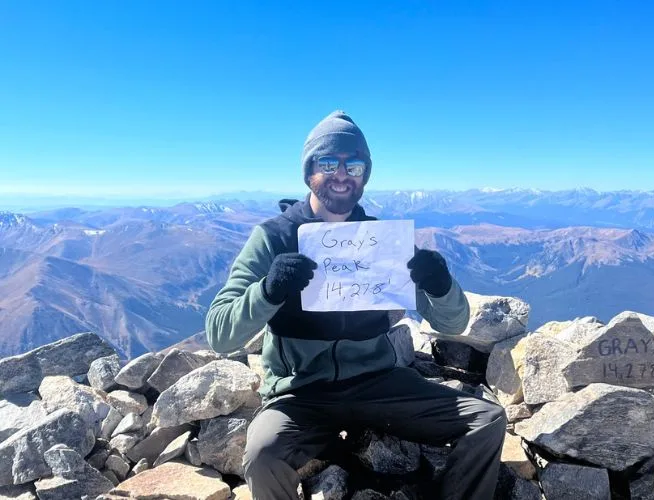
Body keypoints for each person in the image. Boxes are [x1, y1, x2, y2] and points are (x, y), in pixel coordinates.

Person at [205, 110, 506, 500]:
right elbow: (219, 333)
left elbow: (453, 322)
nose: (342, 174)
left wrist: (439, 284)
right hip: (300, 392)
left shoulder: (383, 240)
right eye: (328, 163)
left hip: (379, 383)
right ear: (309, 170)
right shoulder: (275, 238)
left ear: (366, 173)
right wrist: (269, 289)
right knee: (263, 455)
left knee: (487, 420)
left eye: (355, 164)